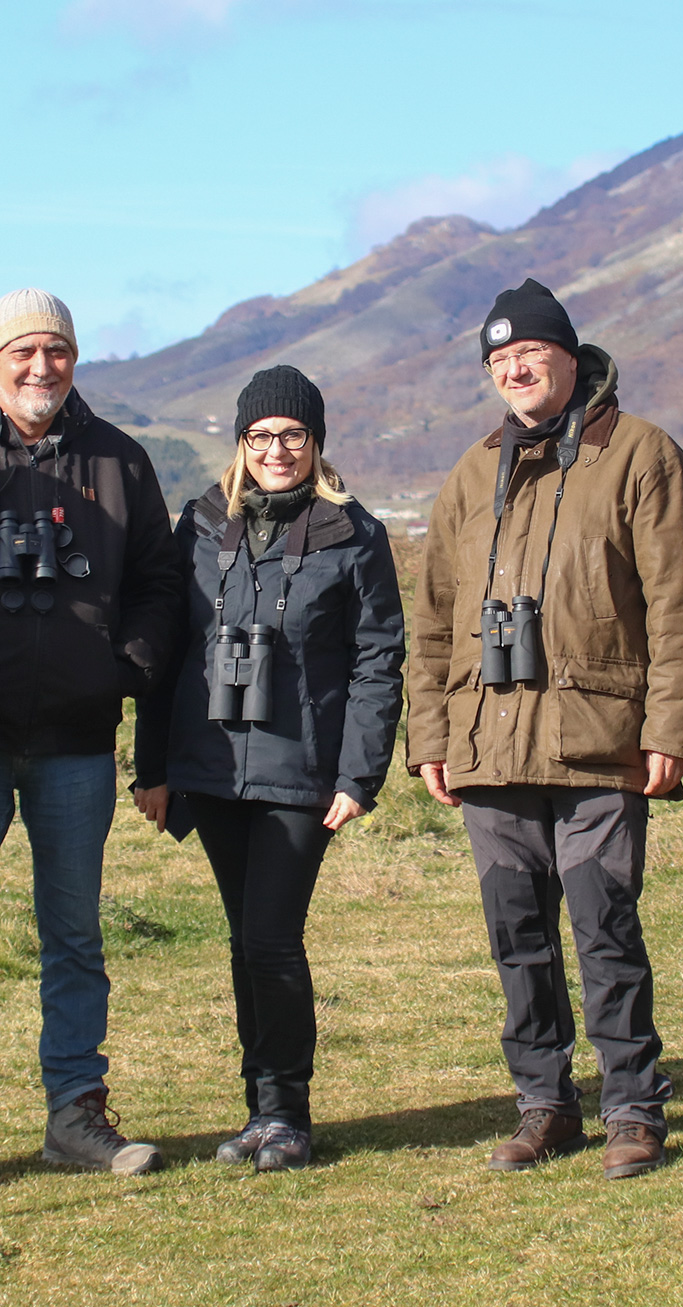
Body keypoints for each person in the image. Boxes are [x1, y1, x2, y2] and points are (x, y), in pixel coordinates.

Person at [406, 279, 683, 1181]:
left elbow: (678, 605)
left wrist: (671, 728)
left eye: (530, 353)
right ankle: (544, 1104)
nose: (515, 369)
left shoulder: (640, 456)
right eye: (499, 360)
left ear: (571, 359)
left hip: (600, 741)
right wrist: (431, 738)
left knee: (604, 926)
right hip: (489, 744)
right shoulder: (472, 473)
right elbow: (432, 619)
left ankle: (632, 1107)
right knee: (517, 935)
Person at [0, 289, 182, 1187]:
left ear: (75, 361)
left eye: (57, 352)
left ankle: (75, 1114)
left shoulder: (118, 460)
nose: (40, 368)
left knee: (75, 935)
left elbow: (160, 586)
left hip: (77, 741)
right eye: (23, 352)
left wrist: (120, 666)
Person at [129, 366, 404, 1172]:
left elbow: (377, 661)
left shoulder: (354, 534)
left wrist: (359, 776)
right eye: (261, 437)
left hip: (302, 771)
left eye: (292, 436)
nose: (276, 451)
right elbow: (167, 651)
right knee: (243, 942)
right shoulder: (203, 524)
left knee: (272, 938)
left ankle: (287, 1112)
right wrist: (154, 766)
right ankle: (259, 1110)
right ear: (240, 445)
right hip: (211, 768)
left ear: (316, 444)